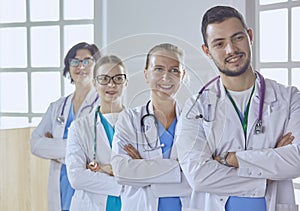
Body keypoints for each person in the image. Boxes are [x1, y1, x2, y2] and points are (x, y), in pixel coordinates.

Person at [176, 5, 300, 211]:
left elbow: (297, 159)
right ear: (206, 51)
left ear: (250, 36)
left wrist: (230, 159)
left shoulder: (289, 98)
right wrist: (267, 172)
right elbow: (198, 176)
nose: (231, 49)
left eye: (238, 38)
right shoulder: (196, 108)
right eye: (219, 43)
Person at [111, 43, 191, 211]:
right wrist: (180, 168)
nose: (166, 77)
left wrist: (144, 169)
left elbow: (199, 176)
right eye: (159, 69)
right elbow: (121, 171)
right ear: (146, 74)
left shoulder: (195, 121)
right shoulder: (129, 119)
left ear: (183, 75)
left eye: (174, 70)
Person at [30, 42, 101, 211]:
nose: (80, 67)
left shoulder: (103, 105)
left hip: (89, 185)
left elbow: (96, 150)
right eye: (74, 62)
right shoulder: (58, 107)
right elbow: (35, 144)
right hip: (60, 183)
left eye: (86, 61)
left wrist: (55, 148)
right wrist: (76, 152)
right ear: (68, 67)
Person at [65, 55, 128, 211]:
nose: (111, 84)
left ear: (125, 82)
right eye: (104, 79)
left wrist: (105, 169)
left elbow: (145, 170)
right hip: (91, 205)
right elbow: (77, 177)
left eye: (118, 78)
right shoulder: (79, 127)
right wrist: (126, 184)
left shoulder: (140, 125)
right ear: (95, 83)